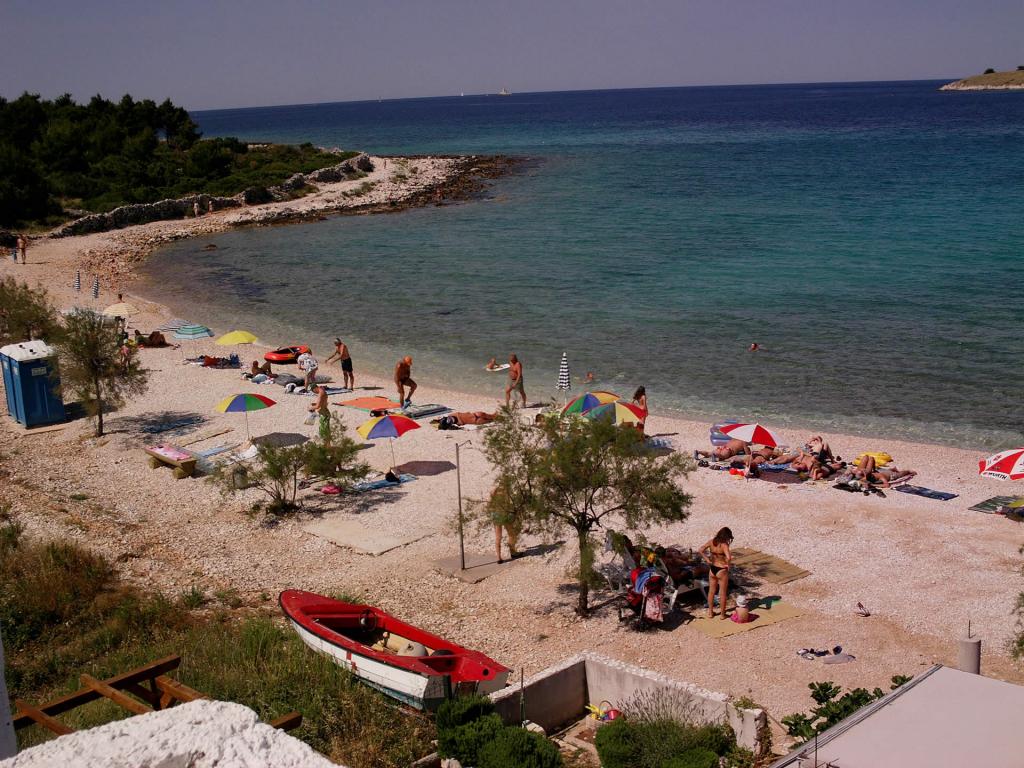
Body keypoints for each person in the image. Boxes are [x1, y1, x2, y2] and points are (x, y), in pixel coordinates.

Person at [700, 527, 734, 619]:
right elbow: (729, 557)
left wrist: (707, 560)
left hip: (712, 569)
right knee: (722, 593)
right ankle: (722, 615)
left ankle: (710, 613)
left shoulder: (712, 541)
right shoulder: (724, 545)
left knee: (711, 591)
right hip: (721, 570)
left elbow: (700, 550)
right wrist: (728, 565)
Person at [488, 482, 522, 564]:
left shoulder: (494, 490)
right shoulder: (506, 491)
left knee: (499, 537)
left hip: (497, 515)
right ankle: (513, 552)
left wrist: (492, 513)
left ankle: (499, 558)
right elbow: (509, 503)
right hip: (504, 514)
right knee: (511, 534)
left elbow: (489, 504)